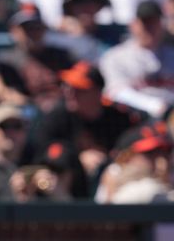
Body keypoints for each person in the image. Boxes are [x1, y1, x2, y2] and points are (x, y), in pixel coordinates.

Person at [32, 61, 145, 194]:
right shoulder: (57, 116)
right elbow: (40, 152)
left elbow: (129, 151)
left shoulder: (119, 118)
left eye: (79, 89)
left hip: (110, 183)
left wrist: (107, 161)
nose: (70, 92)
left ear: (97, 92)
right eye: (68, 86)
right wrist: (78, 159)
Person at [99, 0, 174, 119]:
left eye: (154, 23)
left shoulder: (171, 54)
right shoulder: (115, 57)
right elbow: (115, 93)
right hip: (134, 119)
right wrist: (154, 105)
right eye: (145, 23)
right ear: (133, 25)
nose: (150, 29)